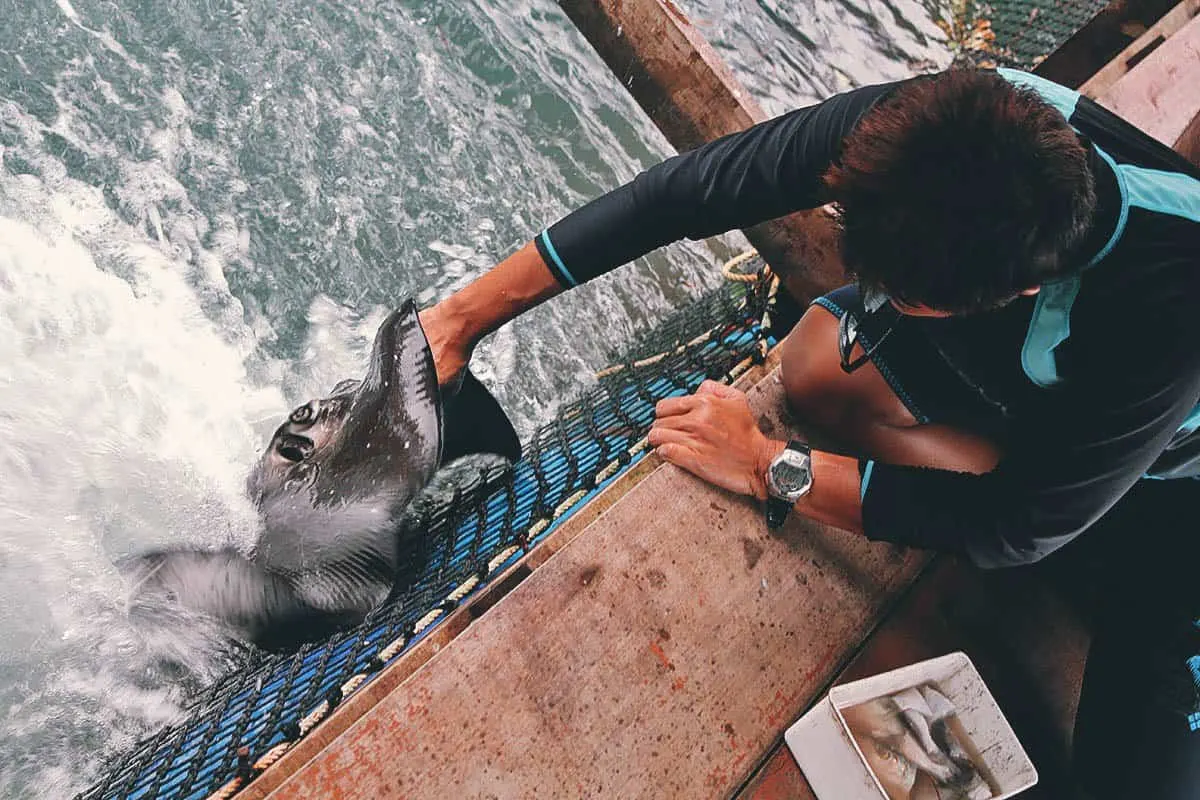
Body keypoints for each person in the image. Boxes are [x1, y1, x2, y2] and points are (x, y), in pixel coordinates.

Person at [418, 67, 1200, 798]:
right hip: (1052, 399)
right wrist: (461, 321)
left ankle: (1077, 514)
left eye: (906, 292)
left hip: (1179, 497)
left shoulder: (1172, 312)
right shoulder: (940, 124)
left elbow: (1014, 529)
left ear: (1022, 288)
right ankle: (1047, 485)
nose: (876, 287)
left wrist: (770, 465)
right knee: (821, 365)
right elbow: (691, 190)